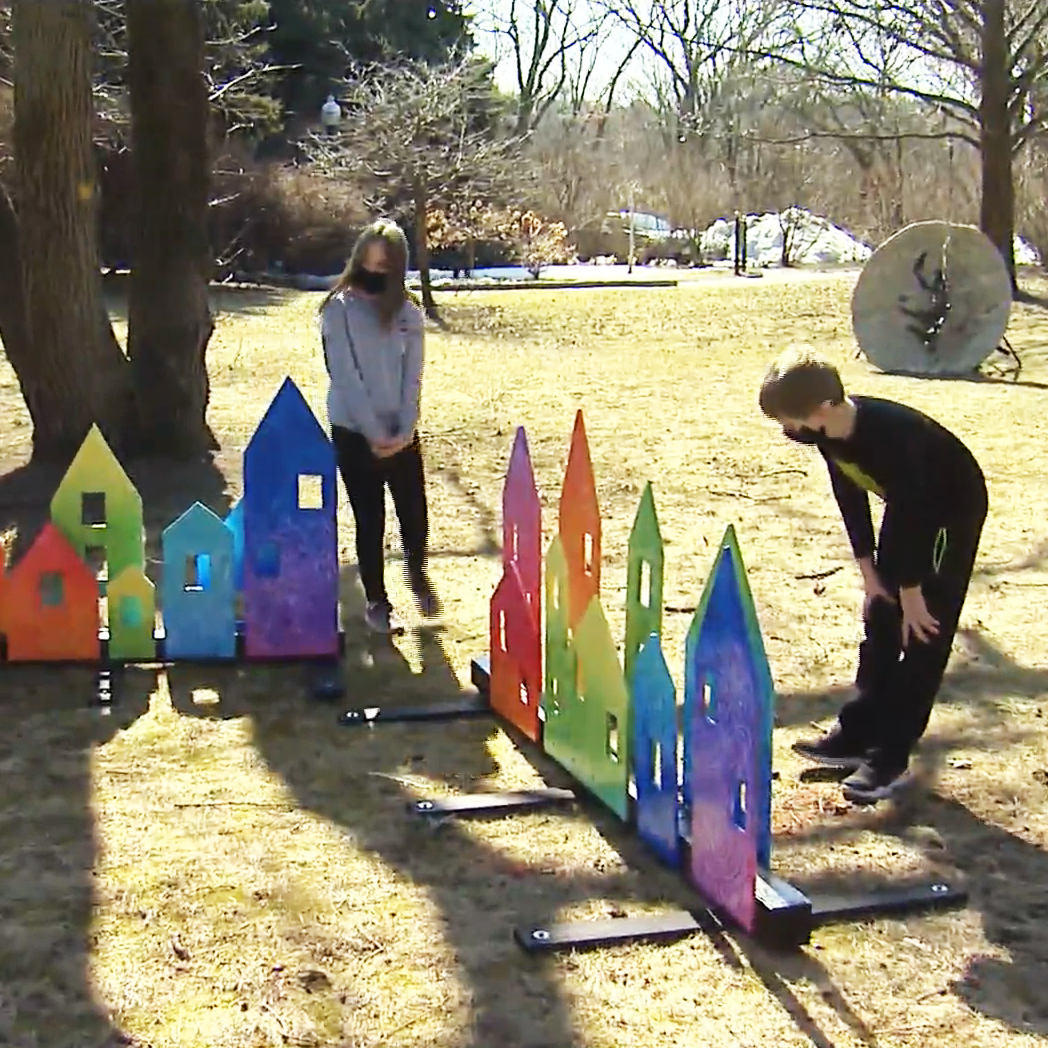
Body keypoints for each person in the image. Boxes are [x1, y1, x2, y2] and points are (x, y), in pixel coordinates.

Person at [758, 345, 988, 805]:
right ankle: (856, 733)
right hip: (907, 513)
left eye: (790, 420)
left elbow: (917, 514)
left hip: (947, 515)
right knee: (880, 617)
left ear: (823, 409)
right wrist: (869, 572)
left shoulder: (890, 437)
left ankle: (891, 756)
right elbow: (850, 491)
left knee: (923, 631)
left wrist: (913, 593)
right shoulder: (828, 435)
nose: (787, 431)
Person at [319, 218, 440, 634]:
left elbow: (413, 376)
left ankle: (417, 575)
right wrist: (373, 433)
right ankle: (377, 601)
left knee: (414, 514)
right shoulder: (339, 310)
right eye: (369, 264)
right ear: (359, 260)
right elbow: (346, 376)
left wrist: (405, 430)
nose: (374, 274)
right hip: (354, 430)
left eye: (384, 267)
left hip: (400, 430)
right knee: (370, 518)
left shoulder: (407, 313)